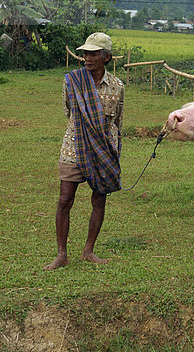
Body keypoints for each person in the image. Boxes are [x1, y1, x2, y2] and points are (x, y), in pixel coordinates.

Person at [44, 32, 124, 271]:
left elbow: (118, 122)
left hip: (103, 151)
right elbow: (69, 112)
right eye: (85, 54)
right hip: (73, 147)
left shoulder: (118, 87)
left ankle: (88, 250)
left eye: (93, 54)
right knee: (64, 199)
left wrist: (114, 151)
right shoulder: (72, 81)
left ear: (106, 57)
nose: (87, 58)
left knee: (99, 200)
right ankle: (61, 254)